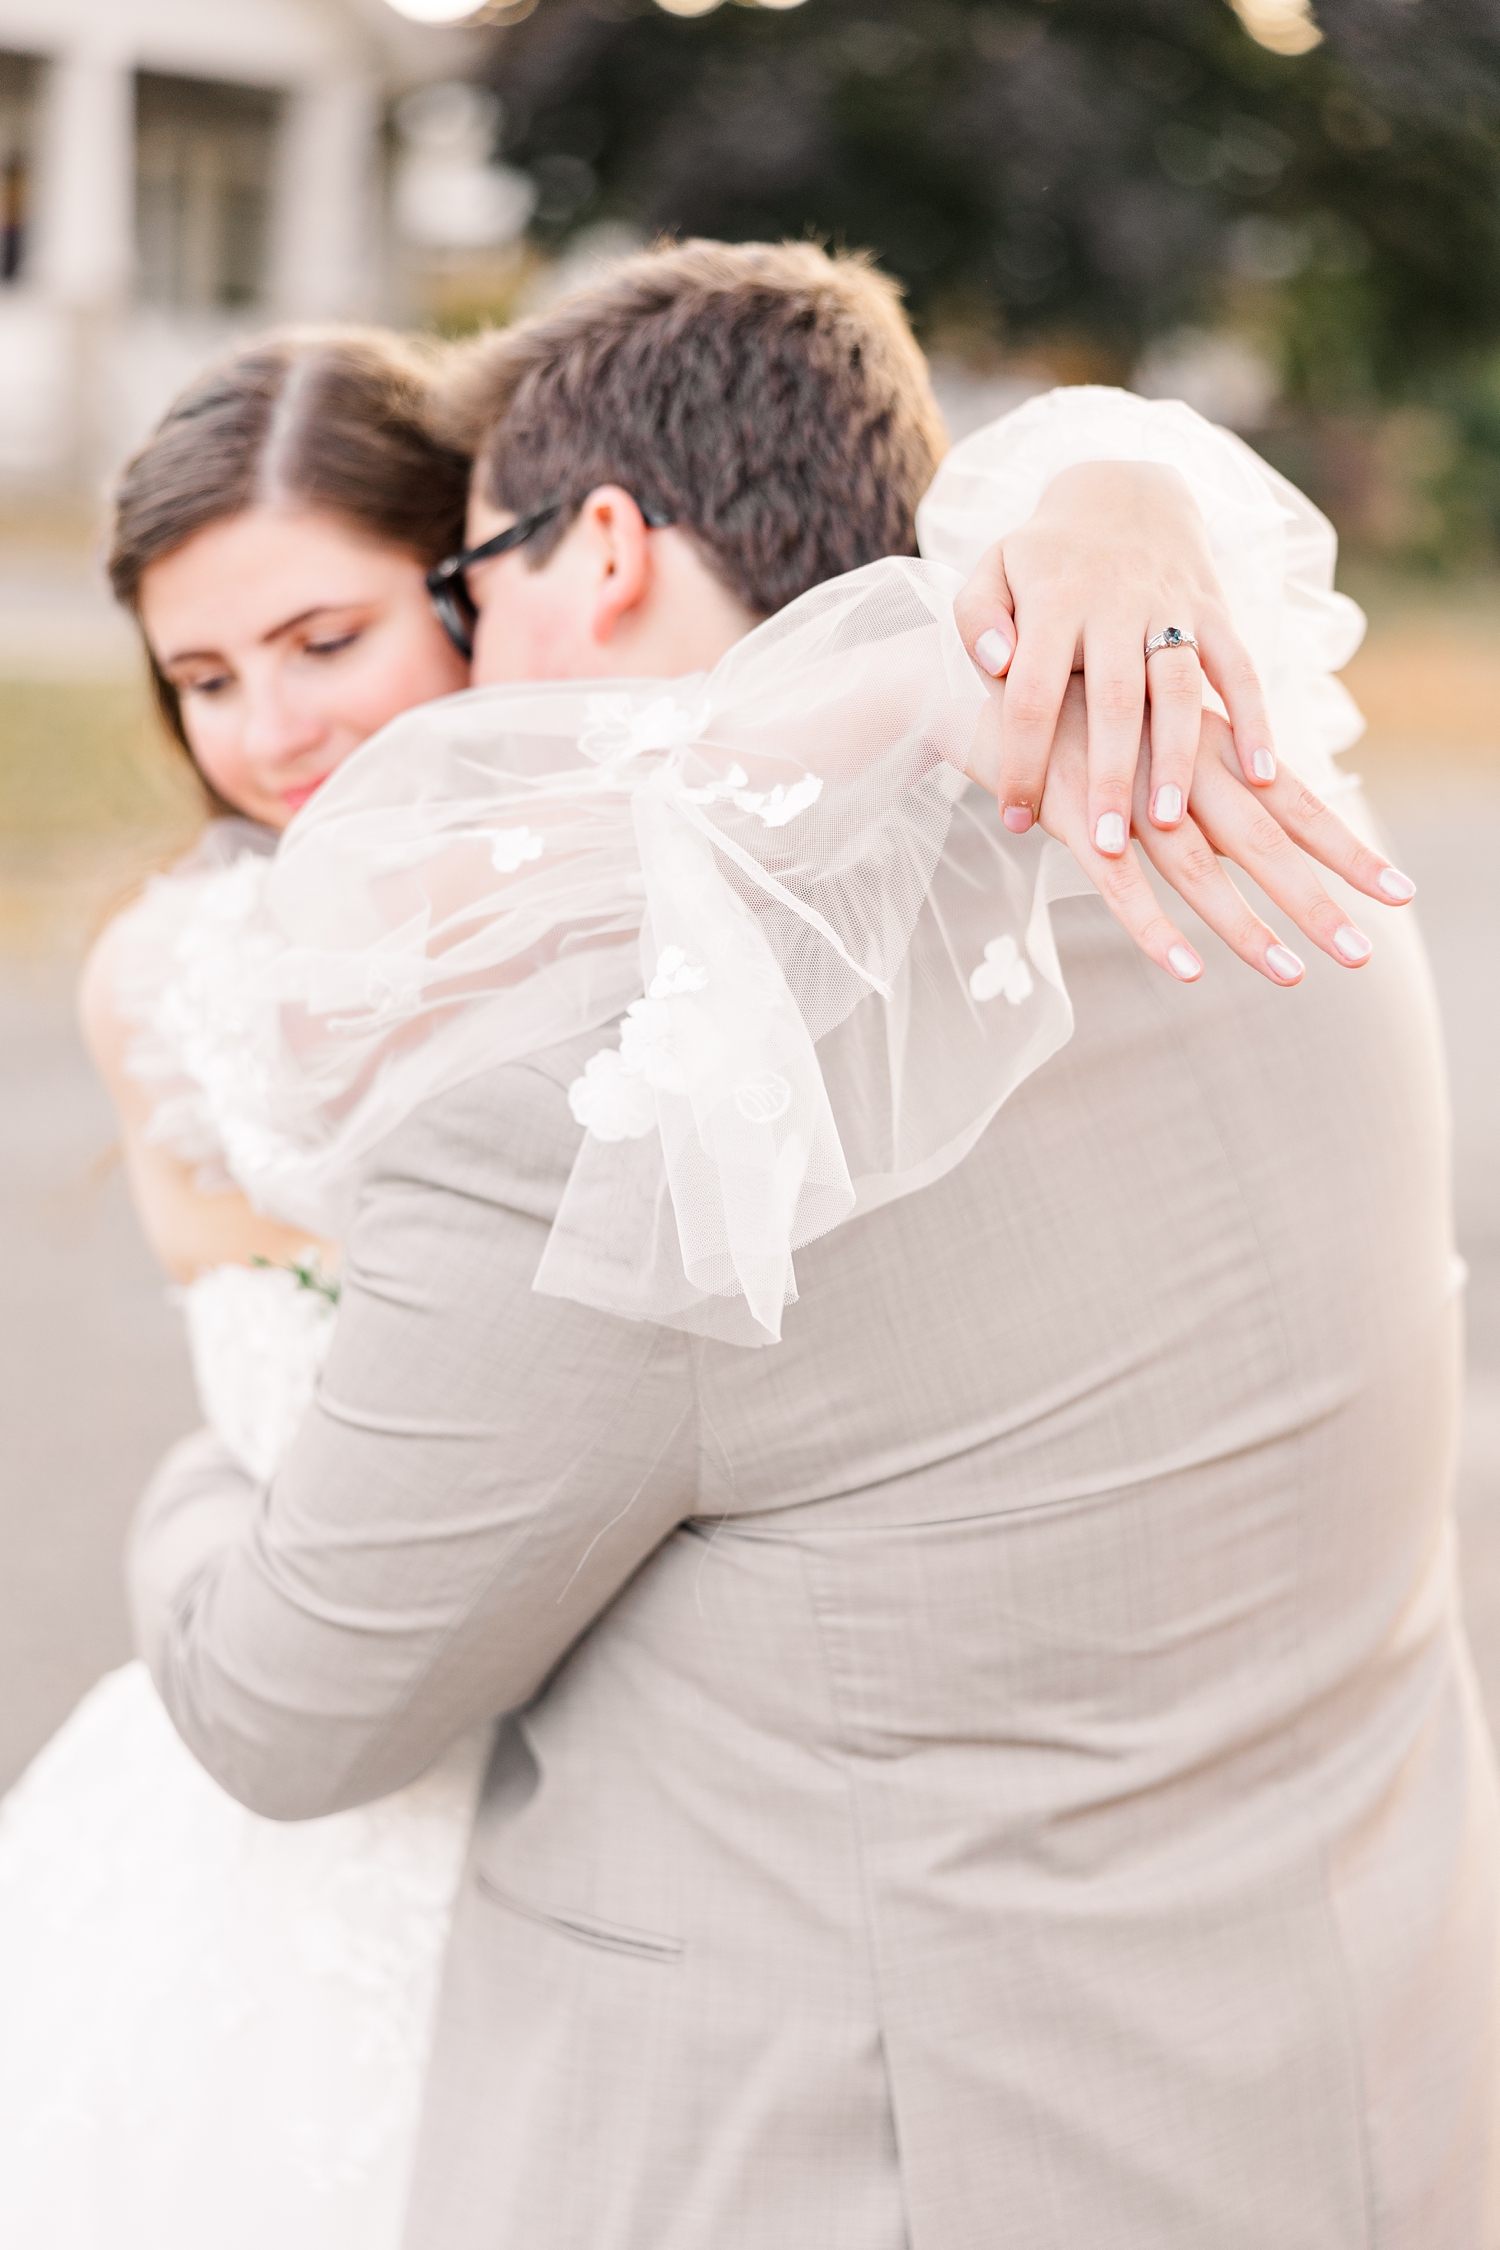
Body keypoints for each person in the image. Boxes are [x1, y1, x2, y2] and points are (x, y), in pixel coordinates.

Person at [119, 238, 1496, 2250]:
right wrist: (1117, 490)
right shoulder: (1264, 811)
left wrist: (208, 1460)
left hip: (882, 2171)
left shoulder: (610, 1086)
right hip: (1368, 2100)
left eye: (463, 589)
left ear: (594, 550)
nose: (457, 670)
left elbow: (286, 1704)